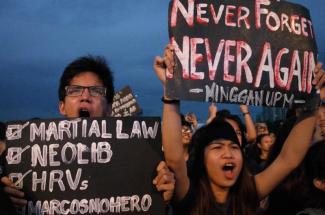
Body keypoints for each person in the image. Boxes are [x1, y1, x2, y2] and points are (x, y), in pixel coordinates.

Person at [154, 44, 321, 214]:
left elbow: (289, 158)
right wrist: (171, 91)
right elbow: (175, 160)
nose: (228, 154)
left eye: (234, 147)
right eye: (217, 147)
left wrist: (312, 100)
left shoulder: (248, 194)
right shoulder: (190, 197)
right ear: (201, 159)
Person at [1, 55, 175, 211]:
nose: (85, 96)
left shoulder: (137, 157)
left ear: (109, 108)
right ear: (62, 106)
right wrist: (6, 200)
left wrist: (160, 198)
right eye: (75, 91)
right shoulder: (31, 158)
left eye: (96, 91)